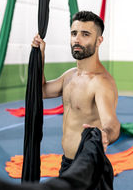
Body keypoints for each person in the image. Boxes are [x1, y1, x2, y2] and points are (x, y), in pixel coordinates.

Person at [31, 10, 120, 175]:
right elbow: (41, 91)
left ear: (99, 40)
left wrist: (105, 134)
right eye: (74, 33)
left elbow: (112, 123)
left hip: (88, 168)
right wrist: (40, 54)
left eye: (85, 34)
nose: (77, 39)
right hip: (67, 163)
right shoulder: (70, 75)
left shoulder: (101, 82)